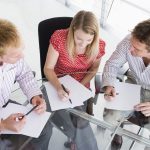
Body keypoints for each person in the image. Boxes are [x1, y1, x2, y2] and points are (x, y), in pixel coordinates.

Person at [44, 10, 105, 150]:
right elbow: (48, 68)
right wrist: (59, 87)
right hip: (57, 81)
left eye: (89, 40)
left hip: (82, 85)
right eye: (79, 39)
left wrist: (79, 85)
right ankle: (78, 141)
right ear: (72, 30)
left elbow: (93, 69)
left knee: (80, 122)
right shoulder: (59, 38)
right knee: (63, 119)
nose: (83, 44)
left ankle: (79, 142)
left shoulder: (99, 45)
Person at [0, 18, 52, 150]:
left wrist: (34, 95)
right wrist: (3, 125)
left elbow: (24, 74)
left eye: (21, 50)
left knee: (44, 128)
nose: (22, 56)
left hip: (5, 104)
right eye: (15, 55)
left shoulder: (15, 58)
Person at [102, 19, 150, 150]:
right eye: (132, 43)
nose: (130, 49)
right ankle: (118, 132)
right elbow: (112, 64)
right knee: (109, 116)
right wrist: (109, 85)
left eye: (137, 49)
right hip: (133, 83)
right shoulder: (130, 41)